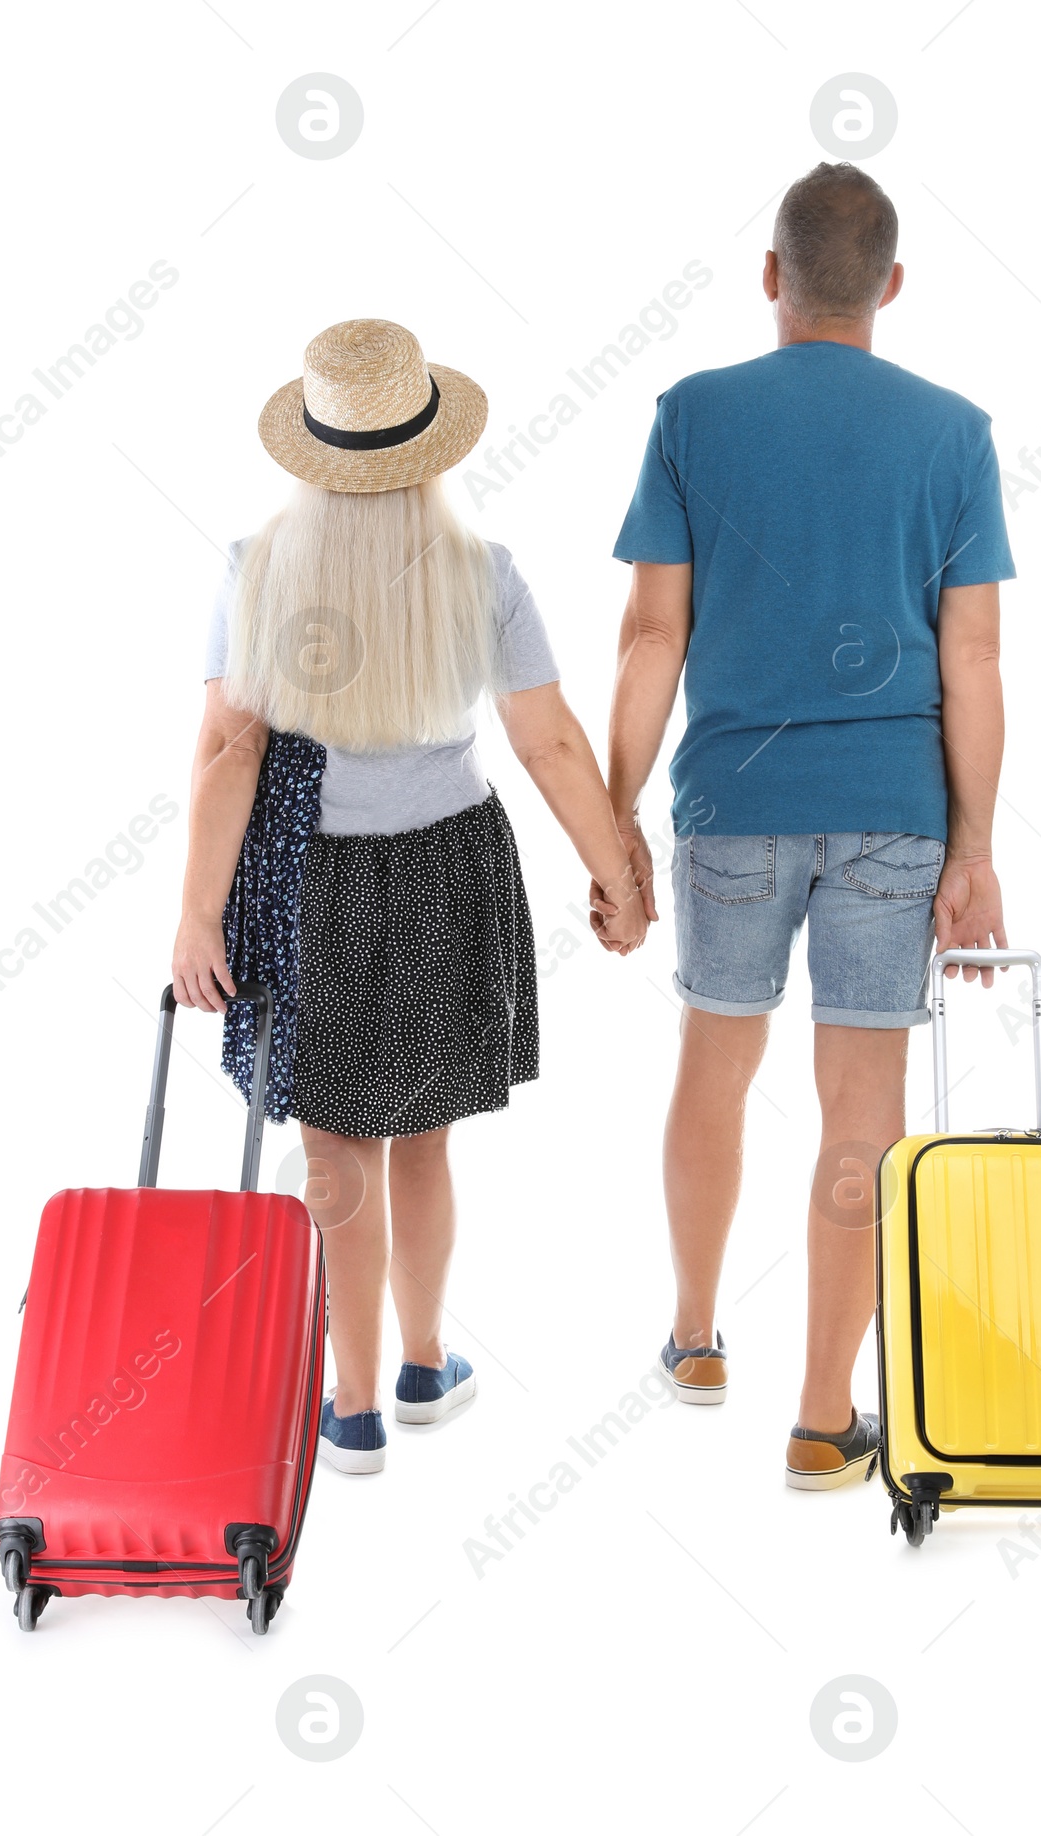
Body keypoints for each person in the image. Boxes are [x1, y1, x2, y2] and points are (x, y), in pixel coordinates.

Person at [599, 162, 1015, 1489]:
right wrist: (978, 849)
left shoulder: (694, 415)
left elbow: (653, 630)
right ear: (889, 286)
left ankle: (693, 1337)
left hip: (733, 803)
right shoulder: (953, 433)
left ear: (772, 275)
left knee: (713, 1068)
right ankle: (825, 1419)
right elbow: (976, 659)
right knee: (863, 1107)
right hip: (895, 815)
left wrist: (615, 814)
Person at [173, 318, 646, 1475]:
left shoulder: (257, 566)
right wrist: (617, 873)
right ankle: (426, 1366)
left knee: (336, 1150)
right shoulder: (483, 572)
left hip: (311, 882)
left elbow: (228, 753)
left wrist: (193, 912)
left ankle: (353, 1410)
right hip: (450, 871)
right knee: (426, 1140)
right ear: (432, 446)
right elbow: (548, 746)